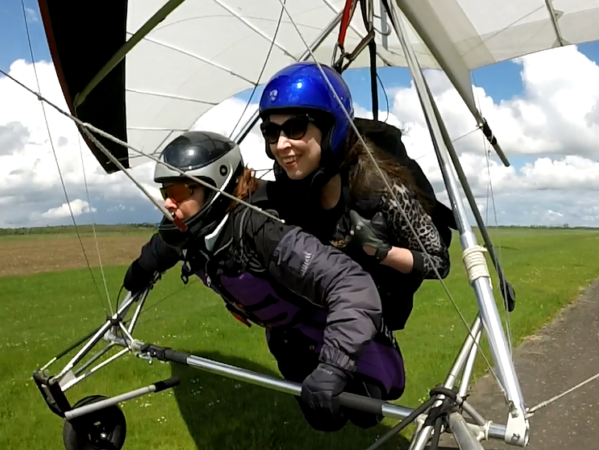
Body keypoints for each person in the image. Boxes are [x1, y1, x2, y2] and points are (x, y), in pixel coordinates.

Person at [121, 130, 404, 432]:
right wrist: (139, 272)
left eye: (177, 192)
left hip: (332, 326)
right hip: (289, 340)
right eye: (165, 193)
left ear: (215, 185)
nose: (168, 204)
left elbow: (352, 285)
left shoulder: (263, 229)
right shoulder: (187, 229)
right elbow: (161, 247)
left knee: (364, 412)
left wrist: (334, 367)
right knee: (324, 419)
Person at [254, 62, 456, 331]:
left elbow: (439, 262)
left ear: (330, 129)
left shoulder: (381, 189)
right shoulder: (288, 180)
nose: (281, 145)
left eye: (295, 128)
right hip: (321, 313)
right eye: (271, 131)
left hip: (372, 318)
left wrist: (382, 252)